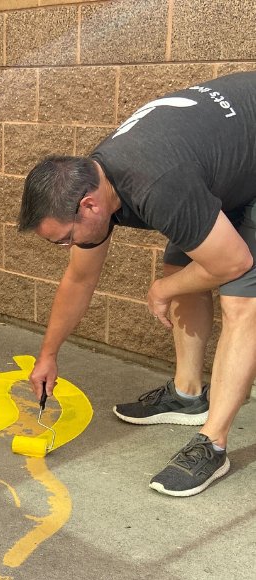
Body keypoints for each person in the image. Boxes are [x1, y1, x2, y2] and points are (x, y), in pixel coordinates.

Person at [18, 70, 256, 498]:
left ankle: (213, 444)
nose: (68, 247)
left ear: (88, 206)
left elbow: (233, 261)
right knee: (178, 268)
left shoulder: (155, 183)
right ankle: (187, 395)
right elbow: (79, 277)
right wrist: (48, 355)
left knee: (241, 298)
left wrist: (161, 293)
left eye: (65, 238)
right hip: (228, 161)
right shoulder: (97, 181)